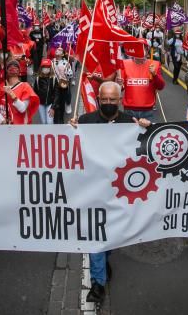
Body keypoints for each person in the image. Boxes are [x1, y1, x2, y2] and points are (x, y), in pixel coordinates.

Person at [69, 81, 151, 305]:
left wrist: (147, 128)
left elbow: (146, 151)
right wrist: (70, 129)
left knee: (111, 235)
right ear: (98, 99)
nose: (107, 103)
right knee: (96, 236)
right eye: (103, 99)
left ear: (120, 99)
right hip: (93, 190)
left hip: (119, 193)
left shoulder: (130, 122)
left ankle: (105, 259)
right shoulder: (85, 121)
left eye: (112, 100)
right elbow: (73, 147)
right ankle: (98, 284)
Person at [119, 40, 165, 121]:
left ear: (147, 51)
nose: (141, 51)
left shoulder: (155, 64)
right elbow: (120, 88)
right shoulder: (125, 64)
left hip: (147, 111)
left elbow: (161, 86)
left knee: (147, 133)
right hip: (129, 110)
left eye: (144, 48)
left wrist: (155, 75)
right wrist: (118, 83)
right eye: (138, 48)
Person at [0, 58, 39, 124]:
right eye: (10, 66)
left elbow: (22, 109)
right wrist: (2, 120)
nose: (12, 67)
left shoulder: (25, 87)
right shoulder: (1, 87)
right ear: (6, 71)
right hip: (3, 128)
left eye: (15, 66)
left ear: (19, 70)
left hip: (19, 128)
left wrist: (12, 95)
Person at [33, 58, 59, 124]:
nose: (46, 69)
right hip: (41, 104)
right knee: (44, 122)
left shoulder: (54, 79)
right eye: (44, 67)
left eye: (48, 67)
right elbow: (35, 92)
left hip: (50, 104)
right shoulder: (38, 78)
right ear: (41, 68)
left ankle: (51, 133)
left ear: (50, 68)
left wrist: (53, 107)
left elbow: (56, 94)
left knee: (49, 122)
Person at [52, 47, 74, 123]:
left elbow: (70, 75)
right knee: (55, 102)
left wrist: (68, 70)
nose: (57, 50)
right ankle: (54, 119)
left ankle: (61, 118)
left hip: (63, 85)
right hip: (54, 85)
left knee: (62, 102)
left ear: (63, 54)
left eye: (60, 50)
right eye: (57, 49)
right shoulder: (52, 62)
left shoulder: (66, 62)